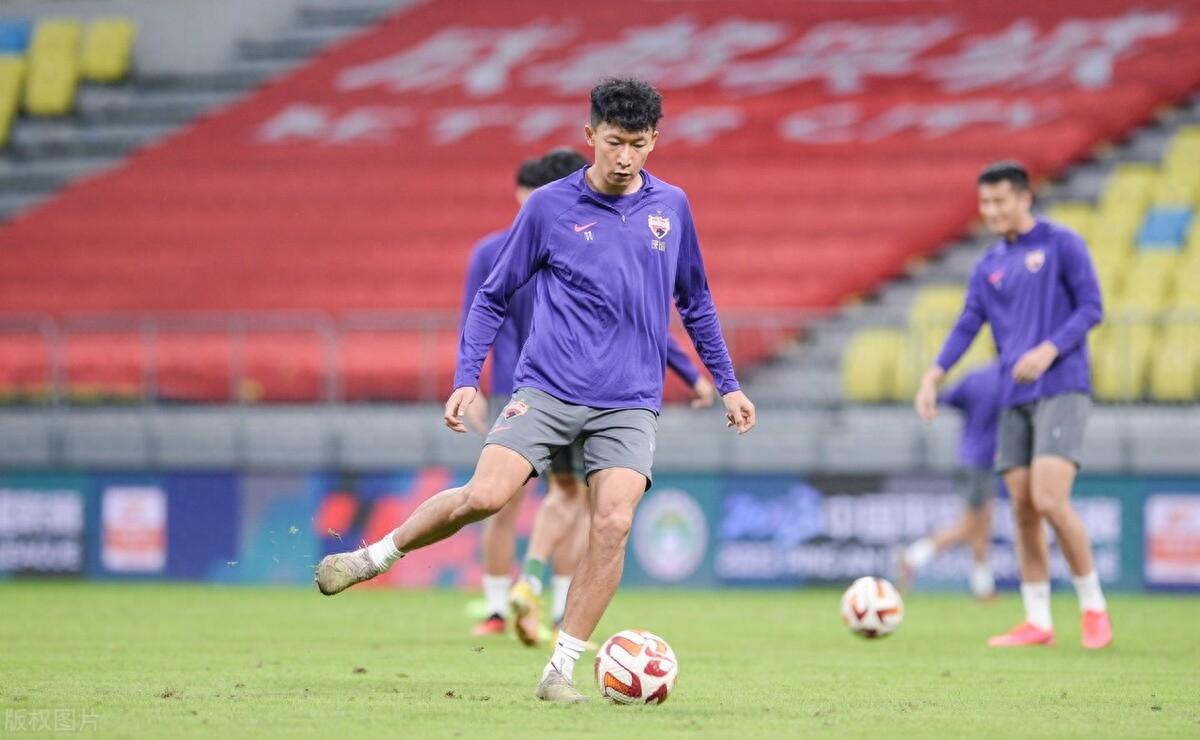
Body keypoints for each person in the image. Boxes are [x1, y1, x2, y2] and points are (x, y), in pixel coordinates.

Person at [316, 78, 756, 702]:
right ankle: (376, 556)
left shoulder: (672, 207)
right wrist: (467, 379)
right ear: (590, 135)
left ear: (655, 140)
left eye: (637, 144)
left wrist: (728, 384)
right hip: (548, 388)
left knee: (613, 521)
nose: (624, 157)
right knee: (486, 496)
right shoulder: (549, 207)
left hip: (630, 400)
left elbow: (698, 302)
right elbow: (492, 296)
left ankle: (560, 671)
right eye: (613, 142)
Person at [461, 148, 716, 640]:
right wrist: (693, 374)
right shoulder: (568, 238)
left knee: (514, 498)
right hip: (566, 387)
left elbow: (478, 313)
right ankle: (543, 595)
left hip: (527, 389)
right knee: (569, 497)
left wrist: (470, 382)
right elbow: (637, 322)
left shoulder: (499, 248)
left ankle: (507, 604)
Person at [914, 161, 1111, 649]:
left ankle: (1093, 607)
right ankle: (1037, 620)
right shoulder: (989, 264)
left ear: (1025, 198)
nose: (991, 210)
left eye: (999, 200)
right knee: (1023, 508)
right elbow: (968, 322)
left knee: (1049, 499)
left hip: (1062, 386)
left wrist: (1049, 350)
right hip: (1013, 394)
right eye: (984, 202)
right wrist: (935, 373)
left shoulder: (1062, 243)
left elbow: (1092, 307)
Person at [898, 362, 1001, 600]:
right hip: (983, 460)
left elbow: (943, 398)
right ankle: (912, 557)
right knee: (970, 526)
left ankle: (983, 588)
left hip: (967, 456)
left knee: (983, 526)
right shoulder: (1010, 380)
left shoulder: (974, 378)